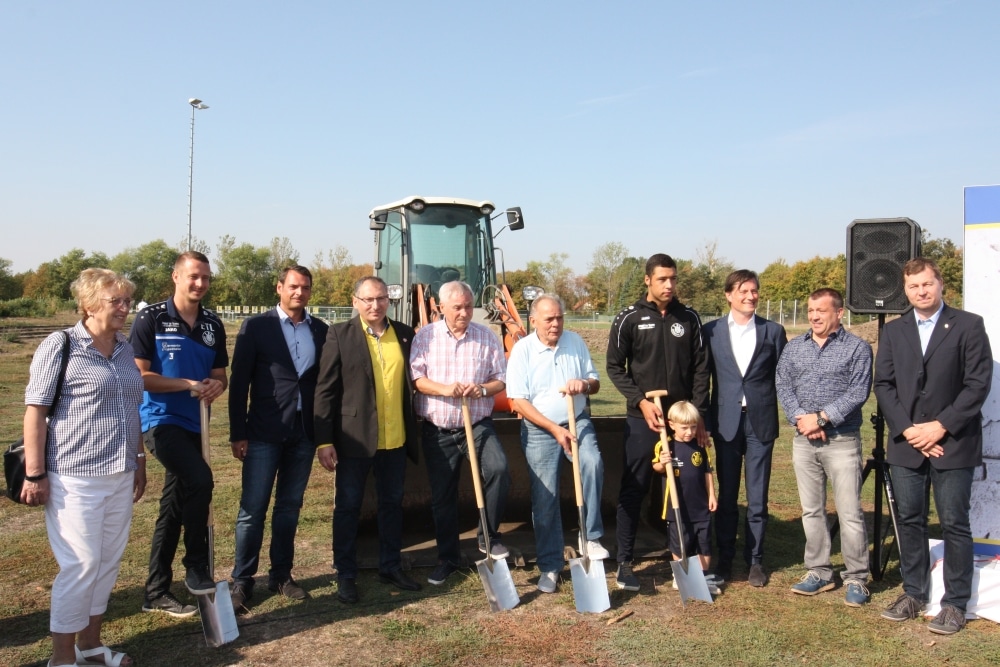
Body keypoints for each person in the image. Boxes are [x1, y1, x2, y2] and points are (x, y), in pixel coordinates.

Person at [22, 269, 146, 667]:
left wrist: (139, 460)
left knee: (107, 563)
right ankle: (61, 659)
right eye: (117, 301)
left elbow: (132, 409)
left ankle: (90, 647)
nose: (126, 308)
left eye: (128, 300)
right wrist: (35, 473)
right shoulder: (60, 346)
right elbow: (35, 412)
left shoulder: (125, 348)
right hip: (73, 477)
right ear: (90, 304)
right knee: (81, 564)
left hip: (120, 473)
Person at [875, 258, 993, 635]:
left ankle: (955, 604)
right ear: (905, 291)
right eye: (913, 287)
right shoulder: (894, 331)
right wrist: (910, 431)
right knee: (910, 520)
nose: (921, 291)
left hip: (952, 443)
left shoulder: (969, 326)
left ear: (940, 284)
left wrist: (940, 427)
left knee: (954, 522)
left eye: (927, 284)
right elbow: (884, 385)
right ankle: (913, 593)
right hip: (907, 444)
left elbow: (977, 384)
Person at [130, 250, 229, 617]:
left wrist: (215, 387)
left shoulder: (212, 324)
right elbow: (138, 376)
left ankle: (155, 591)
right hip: (159, 420)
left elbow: (220, 376)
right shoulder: (150, 318)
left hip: (196, 424)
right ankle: (196, 565)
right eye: (193, 277)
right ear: (175, 276)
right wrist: (186, 383)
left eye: (205, 278)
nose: (200, 284)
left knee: (173, 507)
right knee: (201, 480)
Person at [314, 276, 421, 604]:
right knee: (348, 507)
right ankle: (345, 573)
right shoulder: (339, 335)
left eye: (381, 299)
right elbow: (325, 390)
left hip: (395, 439)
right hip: (355, 441)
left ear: (389, 300)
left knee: (392, 505)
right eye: (368, 299)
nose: (375, 305)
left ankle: (390, 564)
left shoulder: (404, 334)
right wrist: (324, 441)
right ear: (355, 301)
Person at [606, 253, 710, 591]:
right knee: (634, 488)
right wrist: (640, 402)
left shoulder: (689, 318)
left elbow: (700, 370)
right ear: (648, 281)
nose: (669, 285)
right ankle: (625, 562)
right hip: (643, 421)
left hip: (681, 425)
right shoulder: (629, 318)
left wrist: (694, 417)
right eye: (662, 279)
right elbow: (614, 367)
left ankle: (688, 557)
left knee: (686, 487)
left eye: (673, 279)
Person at [227, 266, 328, 611]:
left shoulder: (320, 330)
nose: (299, 292)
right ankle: (242, 579)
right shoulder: (257, 327)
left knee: (289, 507)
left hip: (303, 432)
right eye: (293, 286)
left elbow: (321, 384)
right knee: (252, 509)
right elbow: (239, 382)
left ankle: (281, 574)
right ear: (280, 288)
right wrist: (237, 432)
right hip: (263, 431)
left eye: (305, 288)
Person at [410, 280, 511, 586]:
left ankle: (488, 537)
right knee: (443, 496)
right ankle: (448, 558)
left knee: (499, 468)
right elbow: (416, 378)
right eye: (458, 307)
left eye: (468, 306)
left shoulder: (486, 336)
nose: (465, 312)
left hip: (477, 425)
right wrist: (445, 389)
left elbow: (500, 380)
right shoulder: (425, 337)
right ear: (441, 308)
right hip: (438, 430)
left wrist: (481, 389)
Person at [775, 287, 872, 607]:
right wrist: (801, 419)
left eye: (821, 311)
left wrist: (822, 418)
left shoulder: (857, 348)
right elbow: (783, 384)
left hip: (841, 441)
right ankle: (818, 571)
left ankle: (857, 576)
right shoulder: (795, 347)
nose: (814, 316)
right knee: (811, 510)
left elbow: (858, 392)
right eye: (811, 310)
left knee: (849, 512)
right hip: (804, 441)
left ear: (839, 313)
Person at [506, 294, 608, 594]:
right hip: (540, 430)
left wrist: (584, 384)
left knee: (593, 463)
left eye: (560, 317)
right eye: (549, 319)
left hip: (577, 421)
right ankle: (550, 566)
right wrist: (552, 428)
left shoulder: (575, 342)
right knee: (545, 497)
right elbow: (517, 401)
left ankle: (590, 536)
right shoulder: (523, 350)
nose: (556, 324)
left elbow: (595, 382)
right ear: (533, 320)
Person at [703, 269, 786, 587]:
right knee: (726, 496)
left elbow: (784, 377)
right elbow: (704, 379)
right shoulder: (711, 332)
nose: (750, 296)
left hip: (760, 422)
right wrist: (705, 422)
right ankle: (725, 558)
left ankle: (755, 560)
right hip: (725, 424)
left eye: (754, 291)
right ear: (728, 295)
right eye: (743, 291)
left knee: (757, 496)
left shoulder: (773, 331)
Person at [651, 400, 718, 591]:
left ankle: (702, 576)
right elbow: (655, 467)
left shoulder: (700, 446)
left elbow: (707, 472)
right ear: (671, 424)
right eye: (684, 427)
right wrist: (663, 463)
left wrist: (712, 495)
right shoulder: (665, 446)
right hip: (676, 505)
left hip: (700, 505)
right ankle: (680, 574)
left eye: (693, 427)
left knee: (704, 543)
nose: (689, 432)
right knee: (681, 542)